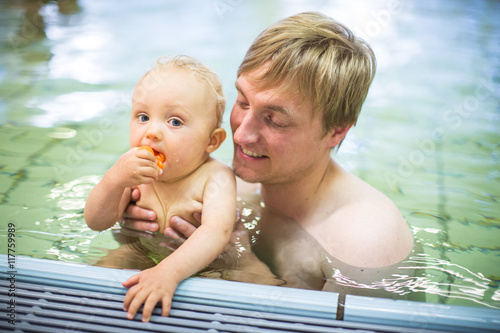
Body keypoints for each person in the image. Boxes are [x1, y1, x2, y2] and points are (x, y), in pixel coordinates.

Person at [121, 12, 416, 298]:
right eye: (243, 102)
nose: (240, 135)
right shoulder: (226, 183)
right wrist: (141, 230)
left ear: (336, 131)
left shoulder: (367, 246)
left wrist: (238, 262)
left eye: (275, 120)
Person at [84, 55, 237, 322]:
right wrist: (113, 181)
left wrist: (169, 272)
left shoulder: (216, 176)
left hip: (211, 266)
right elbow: (96, 222)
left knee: (257, 280)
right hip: (140, 250)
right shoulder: (130, 172)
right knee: (91, 284)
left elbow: (216, 232)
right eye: (142, 116)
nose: (152, 132)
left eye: (175, 122)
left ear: (211, 141)